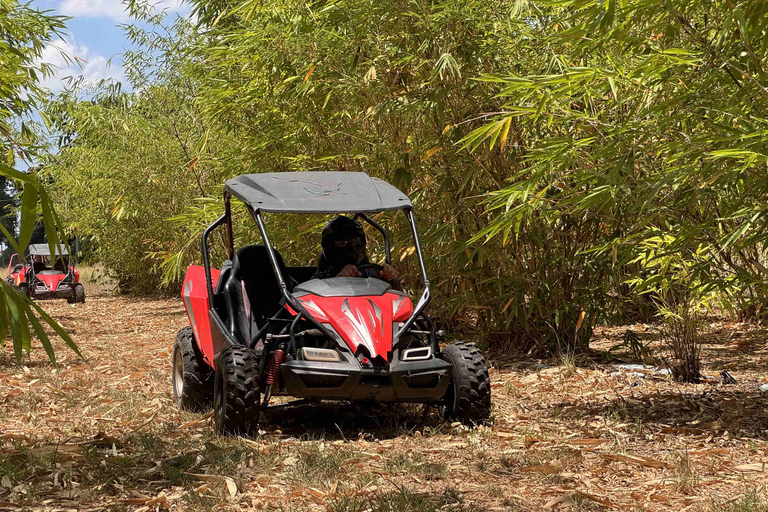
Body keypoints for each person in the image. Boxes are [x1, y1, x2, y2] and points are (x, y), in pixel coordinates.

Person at [313, 216, 399, 284]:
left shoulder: (370, 272)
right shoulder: (323, 277)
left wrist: (388, 276)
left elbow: (394, 295)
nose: (351, 248)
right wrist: (338, 280)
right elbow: (308, 293)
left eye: (356, 242)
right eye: (342, 243)